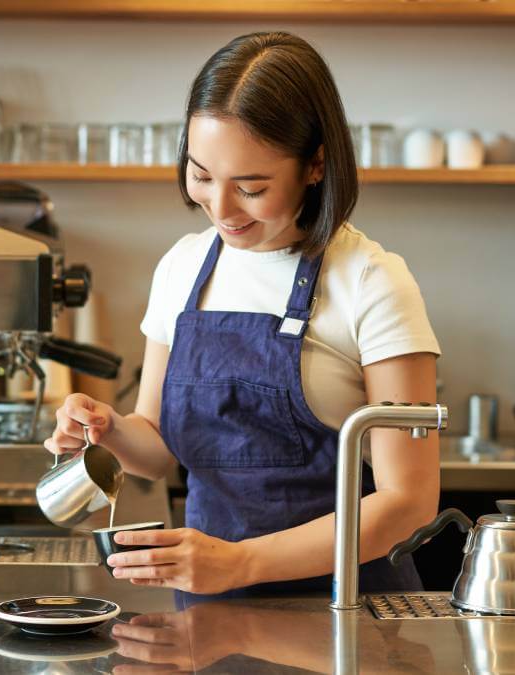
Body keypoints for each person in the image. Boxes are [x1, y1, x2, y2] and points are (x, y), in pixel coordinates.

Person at [43, 31, 441, 599]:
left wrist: (239, 562)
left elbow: (408, 502)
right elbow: (157, 448)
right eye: (201, 175)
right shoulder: (183, 267)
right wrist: (108, 430)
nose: (221, 209)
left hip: (347, 613)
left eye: (251, 188)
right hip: (210, 613)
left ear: (316, 166)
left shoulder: (373, 282)